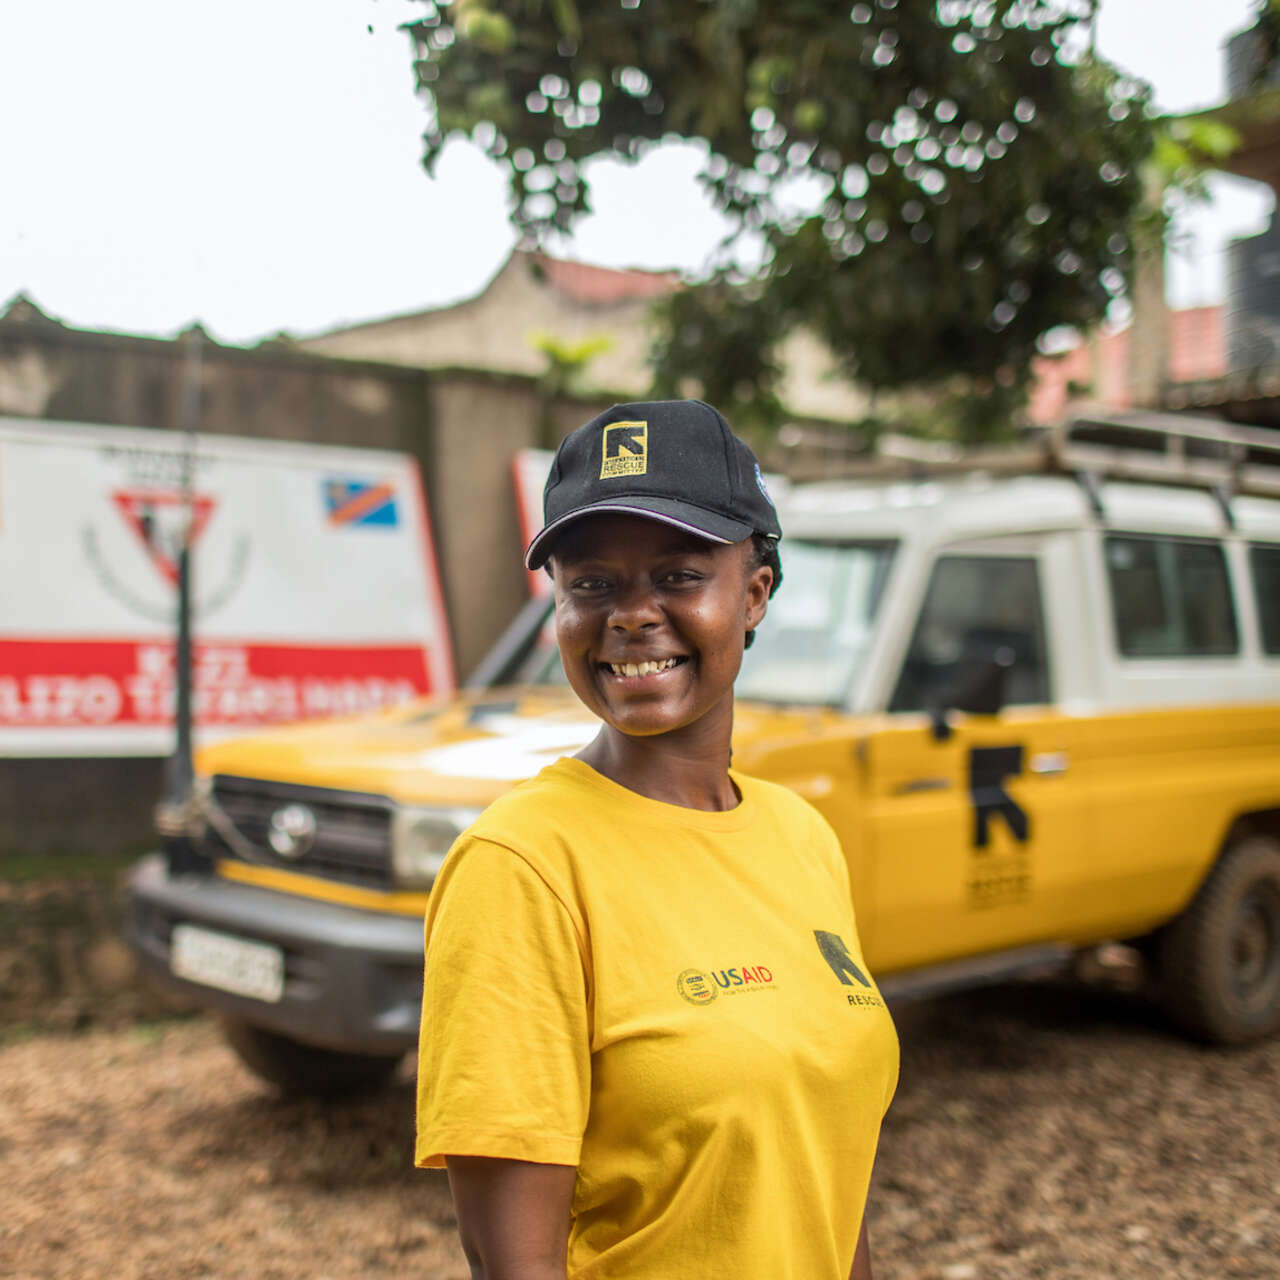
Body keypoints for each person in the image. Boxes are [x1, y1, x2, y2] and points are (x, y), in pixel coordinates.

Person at [415, 399, 899, 1280]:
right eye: (592, 584)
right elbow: (511, 1265)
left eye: (679, 575)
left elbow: (828, 1184)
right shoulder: (523, 868)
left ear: (753, 595)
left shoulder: (801, 838)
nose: (632, 615)